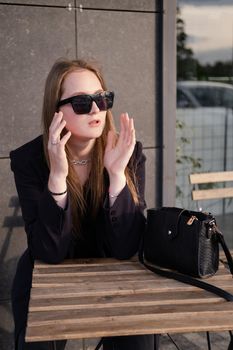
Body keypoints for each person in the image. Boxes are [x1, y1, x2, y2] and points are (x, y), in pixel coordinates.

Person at [10, 58, 159, 350]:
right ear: (56, 110)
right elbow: (49, 252)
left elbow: (126, 247)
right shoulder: (29, 159)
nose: (95, 110)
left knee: (140, 343)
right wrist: (57, 177)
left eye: (102, 99)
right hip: (48, 270)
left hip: (113, 267)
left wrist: (117, 175)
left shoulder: (128, 151)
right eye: (81, 102)